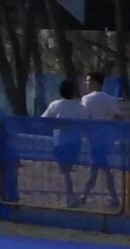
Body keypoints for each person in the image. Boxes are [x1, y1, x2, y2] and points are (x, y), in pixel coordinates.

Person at [41, 79, 89, 208]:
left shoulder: (55, 105)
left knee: (66, 171)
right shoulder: (80, 108)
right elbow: (86, 125)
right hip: (74, 143)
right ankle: (70, 196)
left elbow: (44, 120)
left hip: (60, 143)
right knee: (66, 170)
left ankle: (70, 196)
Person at [79, 72, 122, 207]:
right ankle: (111, 196)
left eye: (89, 81)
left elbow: (84, 117)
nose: (87, 84)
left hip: (94, 138)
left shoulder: (86, 99)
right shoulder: (110, 99)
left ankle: (85, 196)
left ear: (96, 82)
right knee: (101, 167)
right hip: (106, 138)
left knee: (97, 168)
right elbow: (118, 117)